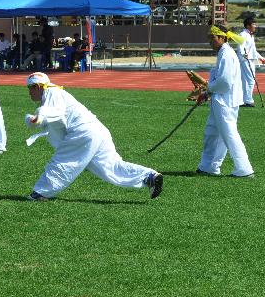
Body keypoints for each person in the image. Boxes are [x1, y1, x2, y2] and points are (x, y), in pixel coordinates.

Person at [24, 72, 162, 201]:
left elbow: (55, 112)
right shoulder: (54, 94)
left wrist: (40, 116)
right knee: (111, 166)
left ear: (37, 86)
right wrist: (36, 119)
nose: (29, 92)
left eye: (30, 88)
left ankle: (41, 192)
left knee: (63, 161)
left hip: (83, 132)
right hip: (97, 131)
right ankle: (149, 177)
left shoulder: (51, 92)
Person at [197, 25, 254, 178]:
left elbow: (225, 82)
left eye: (213, 38)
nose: (210, 42)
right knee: (213, 133)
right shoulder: (223, 53)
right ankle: (208, 166)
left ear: (222, 38)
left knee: (229, 135)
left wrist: (209, 88)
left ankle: (244, 169)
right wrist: (208, 91)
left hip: (225, 102)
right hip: (220, 100)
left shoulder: (227, 54)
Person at [237, 17, 265, 108]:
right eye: (253, 24)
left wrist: (260, 57)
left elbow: (253, 50)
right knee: (250, 80)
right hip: (245, 60)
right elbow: (240, 47)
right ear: (248, 26)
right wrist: (243, 55)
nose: (255, 26)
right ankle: (248, 100)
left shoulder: (250, 35)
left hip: (251, 59)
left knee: (246, 81)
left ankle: (243, 100)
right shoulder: (242, 34)